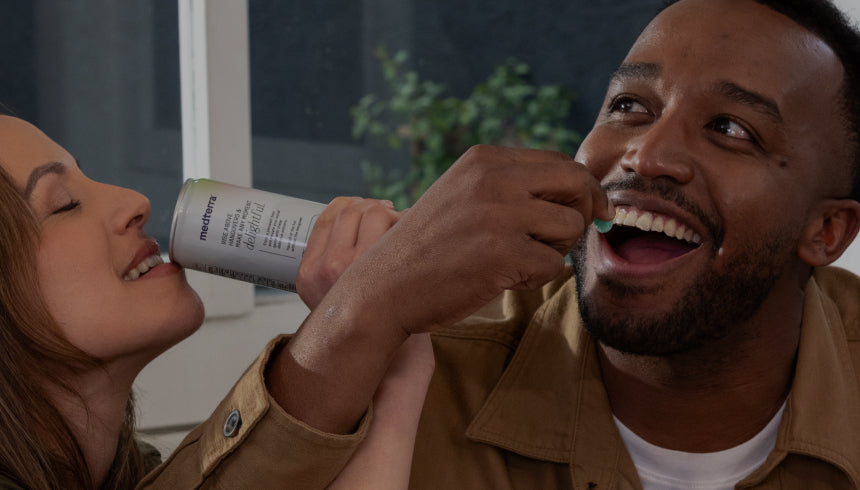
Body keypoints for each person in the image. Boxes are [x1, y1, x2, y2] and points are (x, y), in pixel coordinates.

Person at [240, 0, 860, 488]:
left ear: (826, 232)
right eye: (629, 105)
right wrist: (353, 319)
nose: (646, 154)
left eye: (730, 129)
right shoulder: (416, 364)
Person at [0, 115, 434, 488]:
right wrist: (369, 336)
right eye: (64, 203)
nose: (136, 201)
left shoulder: (136, 475)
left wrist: (392, 354)